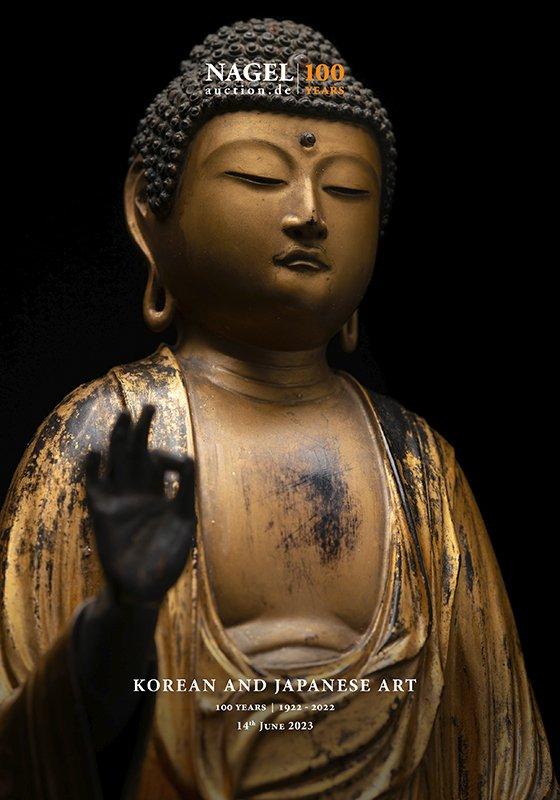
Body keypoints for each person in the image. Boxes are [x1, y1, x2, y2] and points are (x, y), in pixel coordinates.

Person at [0, 18, 556, 800]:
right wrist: (121, 617)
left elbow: (502, 751)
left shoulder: (421, 468)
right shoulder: (107, 436)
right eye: (259, 178)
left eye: (348, 189)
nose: (309, 214)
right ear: (148, 216)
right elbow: (20, 744)